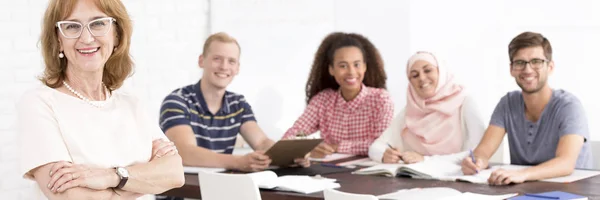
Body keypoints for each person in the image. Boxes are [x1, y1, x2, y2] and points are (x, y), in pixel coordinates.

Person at [18, 0, 184, 199]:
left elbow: (175, 173)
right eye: (72, 26)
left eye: (98, 23)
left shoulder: (131, 103)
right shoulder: (39, 103)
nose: (87, 38)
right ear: (58, 39)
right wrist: (147, 181)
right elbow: (72, 197)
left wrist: (111, 177)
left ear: (116, 35)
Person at [158, 32, 309, 173]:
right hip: (184, 192)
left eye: (231, 61)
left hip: (218, 188)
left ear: (237, 68)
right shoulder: (177, 101)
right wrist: (237, 162)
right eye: (217, 58)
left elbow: (262, 142)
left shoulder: (238, 104)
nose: (224, 66)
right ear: (201, 61)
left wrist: (290, 156)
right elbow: (184, 152)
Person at [461, 31, 593, 185]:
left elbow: (566, 163)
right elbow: (483, 152)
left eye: (536, 61)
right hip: (525, 189)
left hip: (572, 191)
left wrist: (522, 174)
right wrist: (475, 162)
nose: (528, 70)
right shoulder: (507, 104)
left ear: (550, 67)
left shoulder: (569, 106)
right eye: (520, 63)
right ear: (512, 69)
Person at [281, 32, 394, 157]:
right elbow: (292, 135)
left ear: (364, 67)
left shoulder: (380, 99)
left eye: (356, 65)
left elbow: (381, 144)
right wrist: (308, 148)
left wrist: (337, 147)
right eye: (343, 66)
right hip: (329, 171)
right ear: (331, 70)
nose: (351, 72)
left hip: (370, 171)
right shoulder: (322, 100)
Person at [369, 51, 485, 164]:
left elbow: (478, 152)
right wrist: (384, 154)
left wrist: (426, 160)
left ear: (441, 72)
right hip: (417, 178)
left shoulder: (464, 102)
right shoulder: (412, 110)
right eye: (414, 75)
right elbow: (376, 147)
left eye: (428, 70)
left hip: (457, 178)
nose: (422, 78)